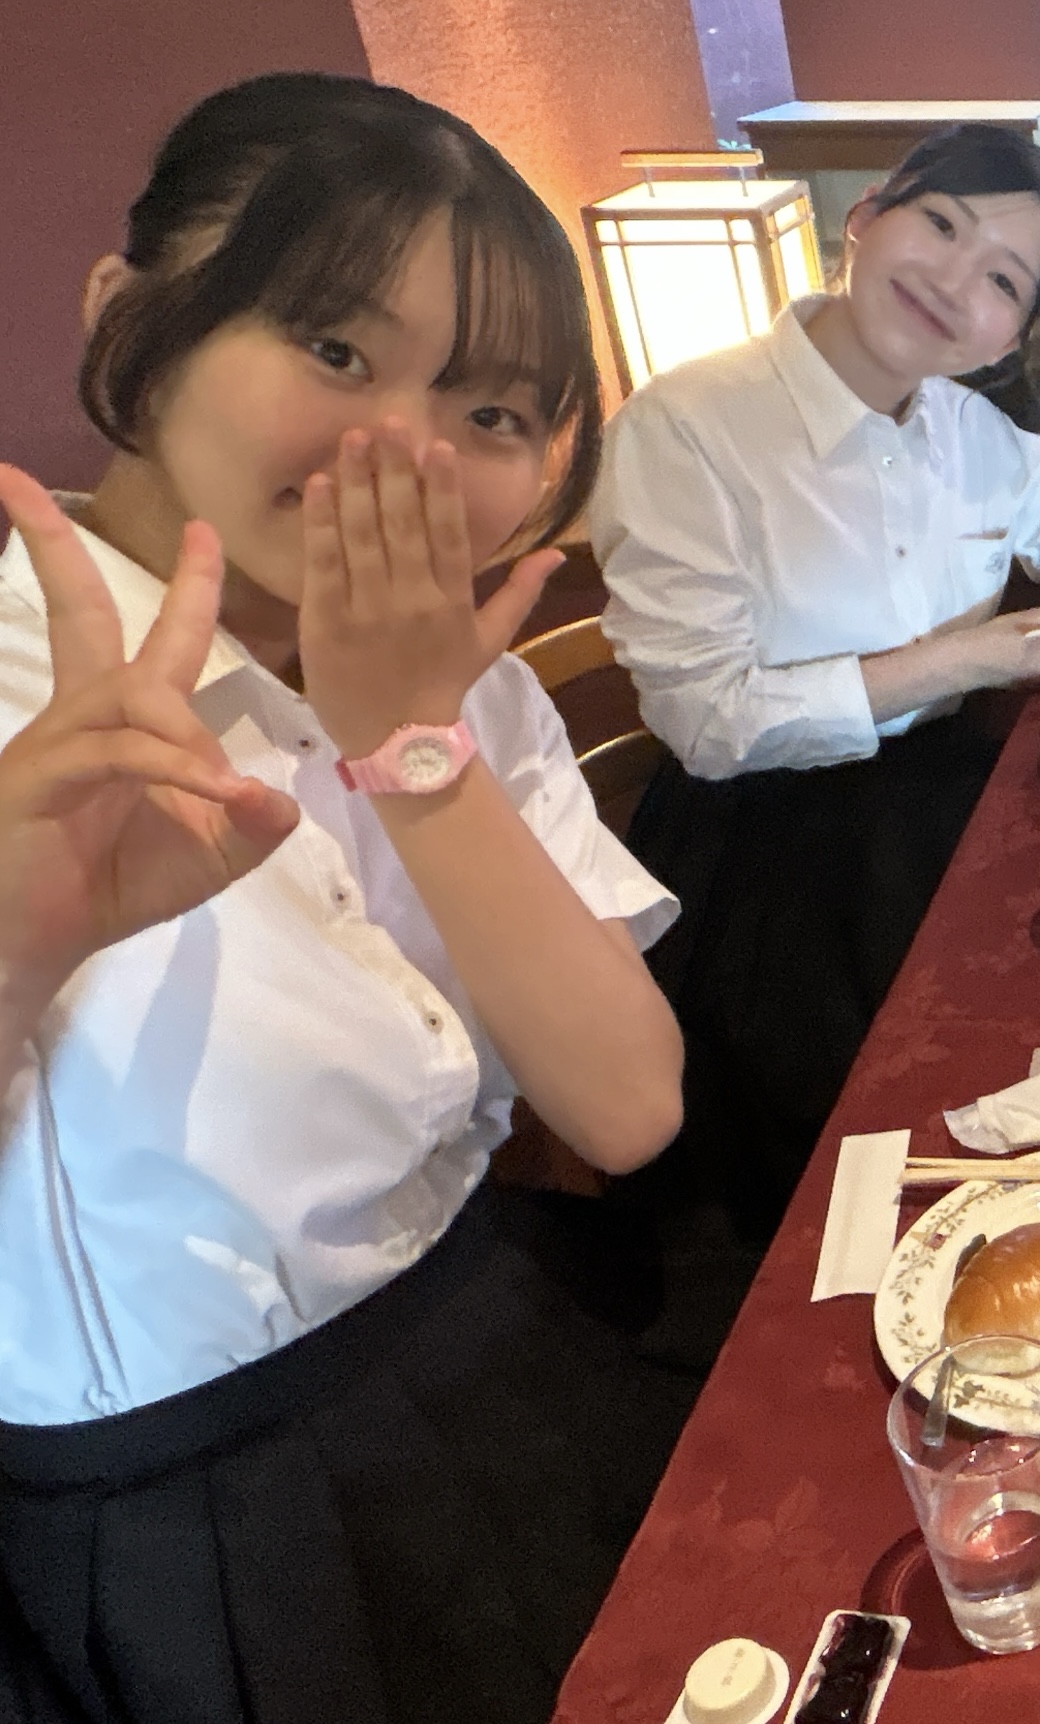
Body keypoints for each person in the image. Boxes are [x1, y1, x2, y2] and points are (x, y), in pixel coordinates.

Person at [0, 73, 690, 1724]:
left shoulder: (468, 693)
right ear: (131, 316)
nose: (407, 450)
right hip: (193, 1527)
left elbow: (626, 1106)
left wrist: (415, 753)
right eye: (334, 348)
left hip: (505, 1353)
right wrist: (21, 939)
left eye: (494, 410)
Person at [591, 124, 1040, 1268]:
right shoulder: (686, 425)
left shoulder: (974, 433)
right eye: (939, 224)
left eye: (1001, 279)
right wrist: (968, 657)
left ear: (1009, 333)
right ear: (863, 216)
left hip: (952, 811)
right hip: (769, 862)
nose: (953, 279)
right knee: (864, 1190)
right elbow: (705, 721)